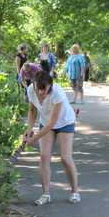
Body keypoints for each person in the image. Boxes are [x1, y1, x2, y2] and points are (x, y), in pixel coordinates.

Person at [23, 71, 80, 205]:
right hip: (45, 121)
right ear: (34, 85)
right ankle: (46, 194)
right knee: (44, 156)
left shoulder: (57, 91)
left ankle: (75, 192)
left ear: (50, 85)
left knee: (65, 158)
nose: (41, 93)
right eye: (38, 89)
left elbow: (52, 122)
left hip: (64, 122)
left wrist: (33, 139)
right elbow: (32, 110)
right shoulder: (31, 89)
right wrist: (29, 129)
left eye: (44, 89)